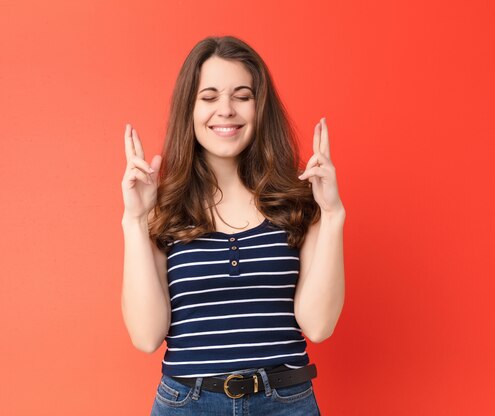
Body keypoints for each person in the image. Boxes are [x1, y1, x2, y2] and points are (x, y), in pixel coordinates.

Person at [121, 35, 345, 415]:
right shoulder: (163, 207)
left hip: (285, 402)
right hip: (187, 404)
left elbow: (319, 326)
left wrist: (333, 215)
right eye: (208, 97)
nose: (225, 110)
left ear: (261, 108)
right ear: (188, 110)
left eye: (242, 96)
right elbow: (146, 337)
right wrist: (135, 219)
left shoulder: (299, 200)